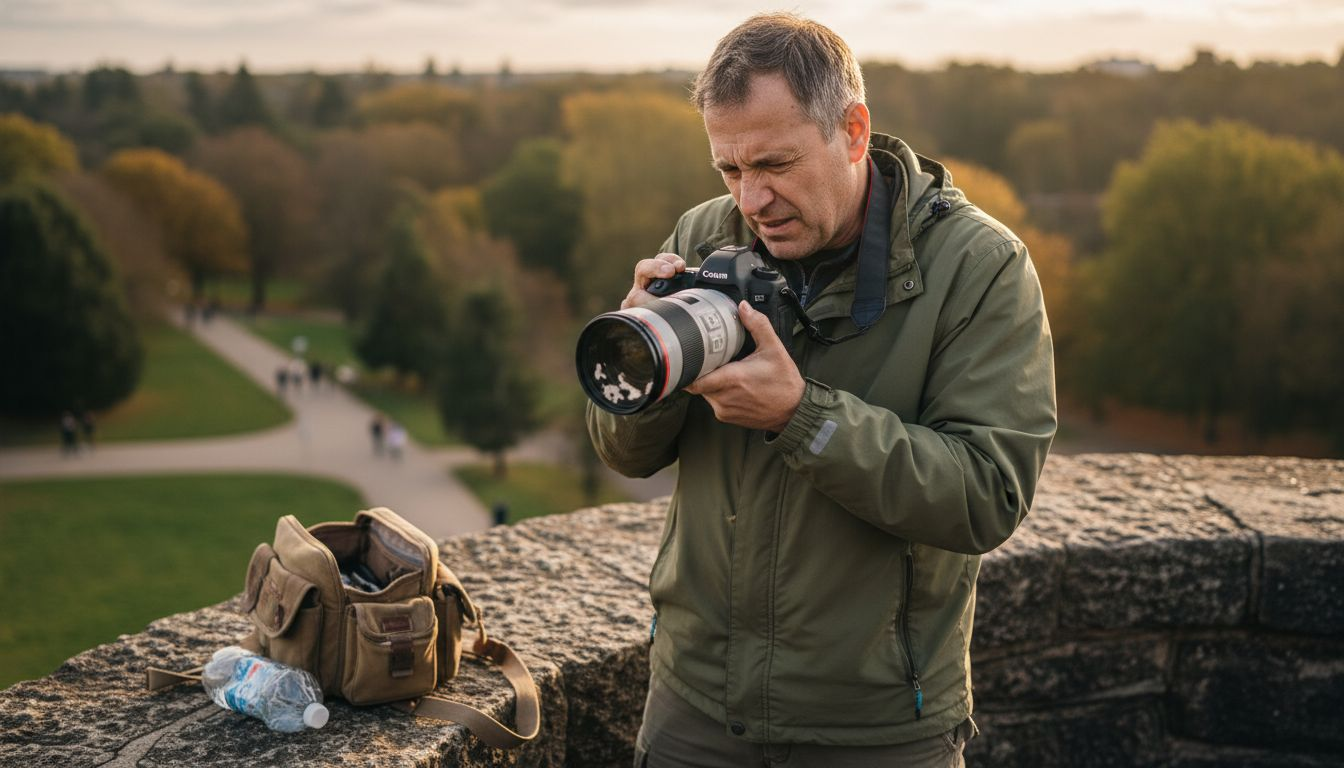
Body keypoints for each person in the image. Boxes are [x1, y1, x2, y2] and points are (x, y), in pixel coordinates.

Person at [586, 13, 1056, 767]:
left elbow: (987, 495)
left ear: (854, 131)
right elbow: (625, 455)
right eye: (730, 170)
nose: (753, 200)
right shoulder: (705, 236)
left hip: (877, 728)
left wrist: (803, 418)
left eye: (775, 163)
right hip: (694, 706)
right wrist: (640, 370)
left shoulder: (979, 268)